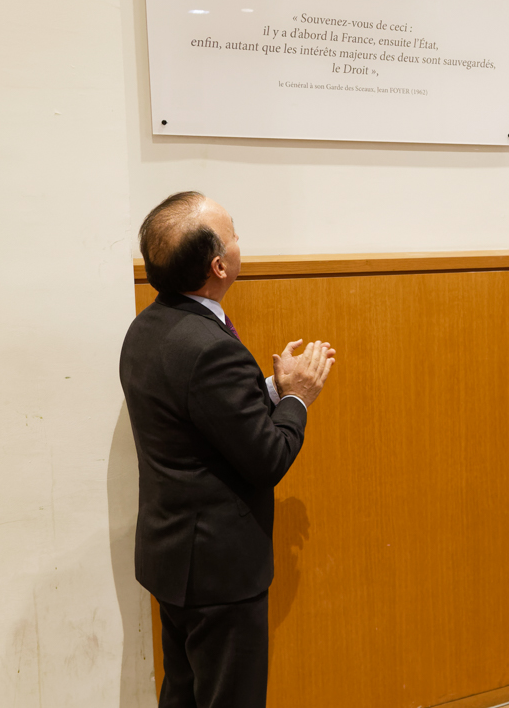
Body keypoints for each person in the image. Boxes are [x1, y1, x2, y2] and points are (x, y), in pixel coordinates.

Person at [120, 192, 335, 708]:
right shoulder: (210, 346)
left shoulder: (147, 328)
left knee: (185, 695)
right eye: (234, 232)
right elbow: (268, 459)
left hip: (172, 558)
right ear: (219, 265)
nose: (241, 241)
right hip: (218, 572)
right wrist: (297, 397)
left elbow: (198, 412)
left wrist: (265, 389)